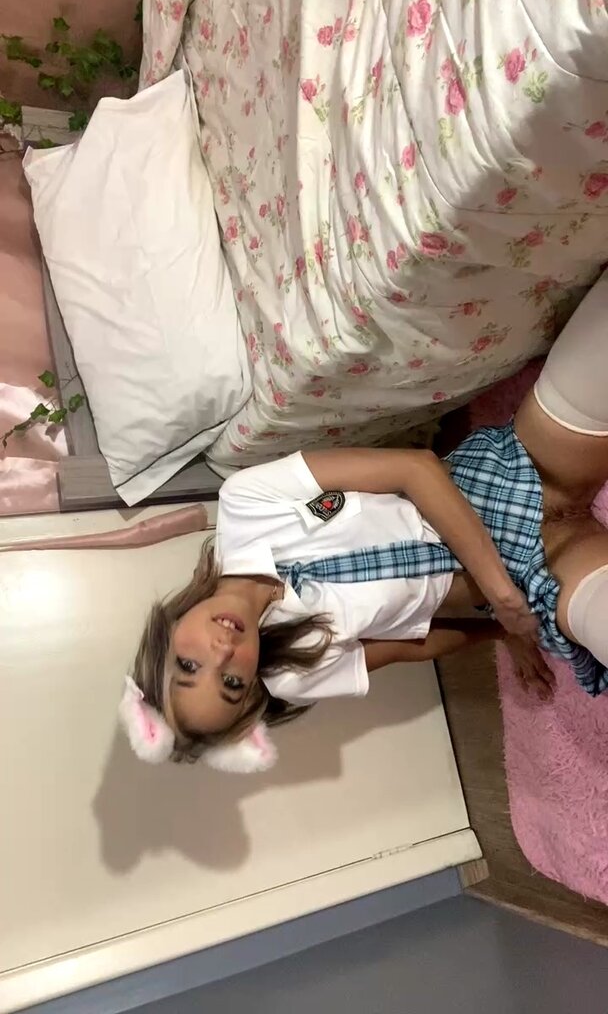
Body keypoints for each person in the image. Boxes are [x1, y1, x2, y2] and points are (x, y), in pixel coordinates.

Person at [124, 276, 608, 767]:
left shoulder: (244, 502)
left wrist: (500, 595)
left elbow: (415, 469)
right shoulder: (293, 674)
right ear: (250, 689)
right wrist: (509, 630)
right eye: (230, 683)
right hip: (542, 580)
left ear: (166, 635)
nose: (222, 653)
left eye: (189, 664)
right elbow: (414, 646)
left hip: (503, 477)